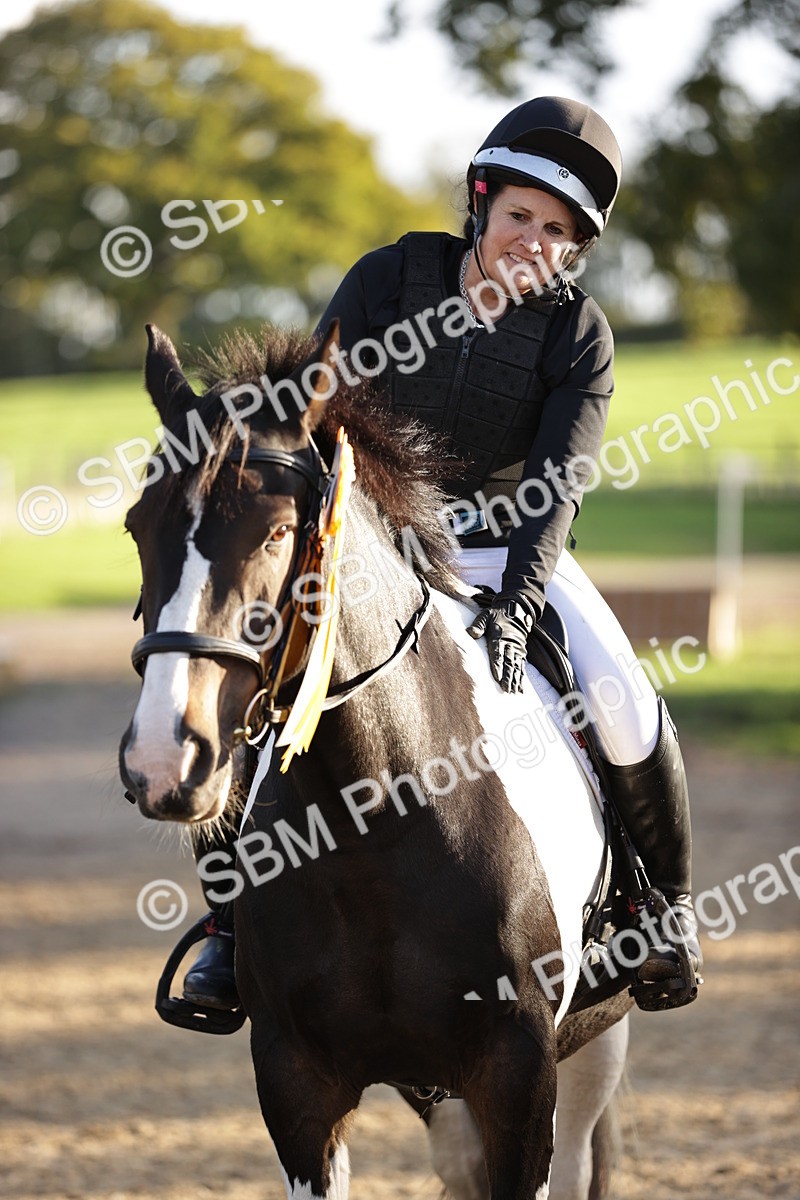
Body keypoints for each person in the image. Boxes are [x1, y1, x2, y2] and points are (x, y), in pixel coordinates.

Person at [183, 95, 702, 1013]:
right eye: (519, 217)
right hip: (374, 544)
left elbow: (559, 486)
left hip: (507, 551)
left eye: (559, 232)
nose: (533, 243)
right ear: (480, 202)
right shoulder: (389, 278)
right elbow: (316, 415)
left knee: (622, 697)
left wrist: (522, 605)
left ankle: (657, 912)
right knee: (249, 683)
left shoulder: (581, 337)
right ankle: (229, 934)